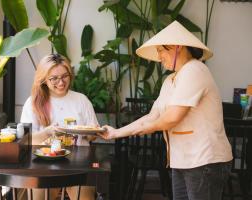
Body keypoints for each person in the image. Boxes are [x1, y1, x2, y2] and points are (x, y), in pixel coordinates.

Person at [99, 21, 233, 200]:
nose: (159, 56)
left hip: (204, 160)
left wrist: (148, 128)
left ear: (177, 47)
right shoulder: (170, 80)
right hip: (182, 159)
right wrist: (115, 133)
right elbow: (153, 116)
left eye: (162, 50)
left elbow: (172, 117)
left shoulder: (195, 70)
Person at [20, 53, 97, 200]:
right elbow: (25, 141)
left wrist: (92, 132)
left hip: (78, 165)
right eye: (54, 78)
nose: (61, 82)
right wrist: (47, 132)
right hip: (43, 165)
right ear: (43, 79)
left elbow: (92, 136)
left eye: (64, 76)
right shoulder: (33, 103)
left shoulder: (81, 100)